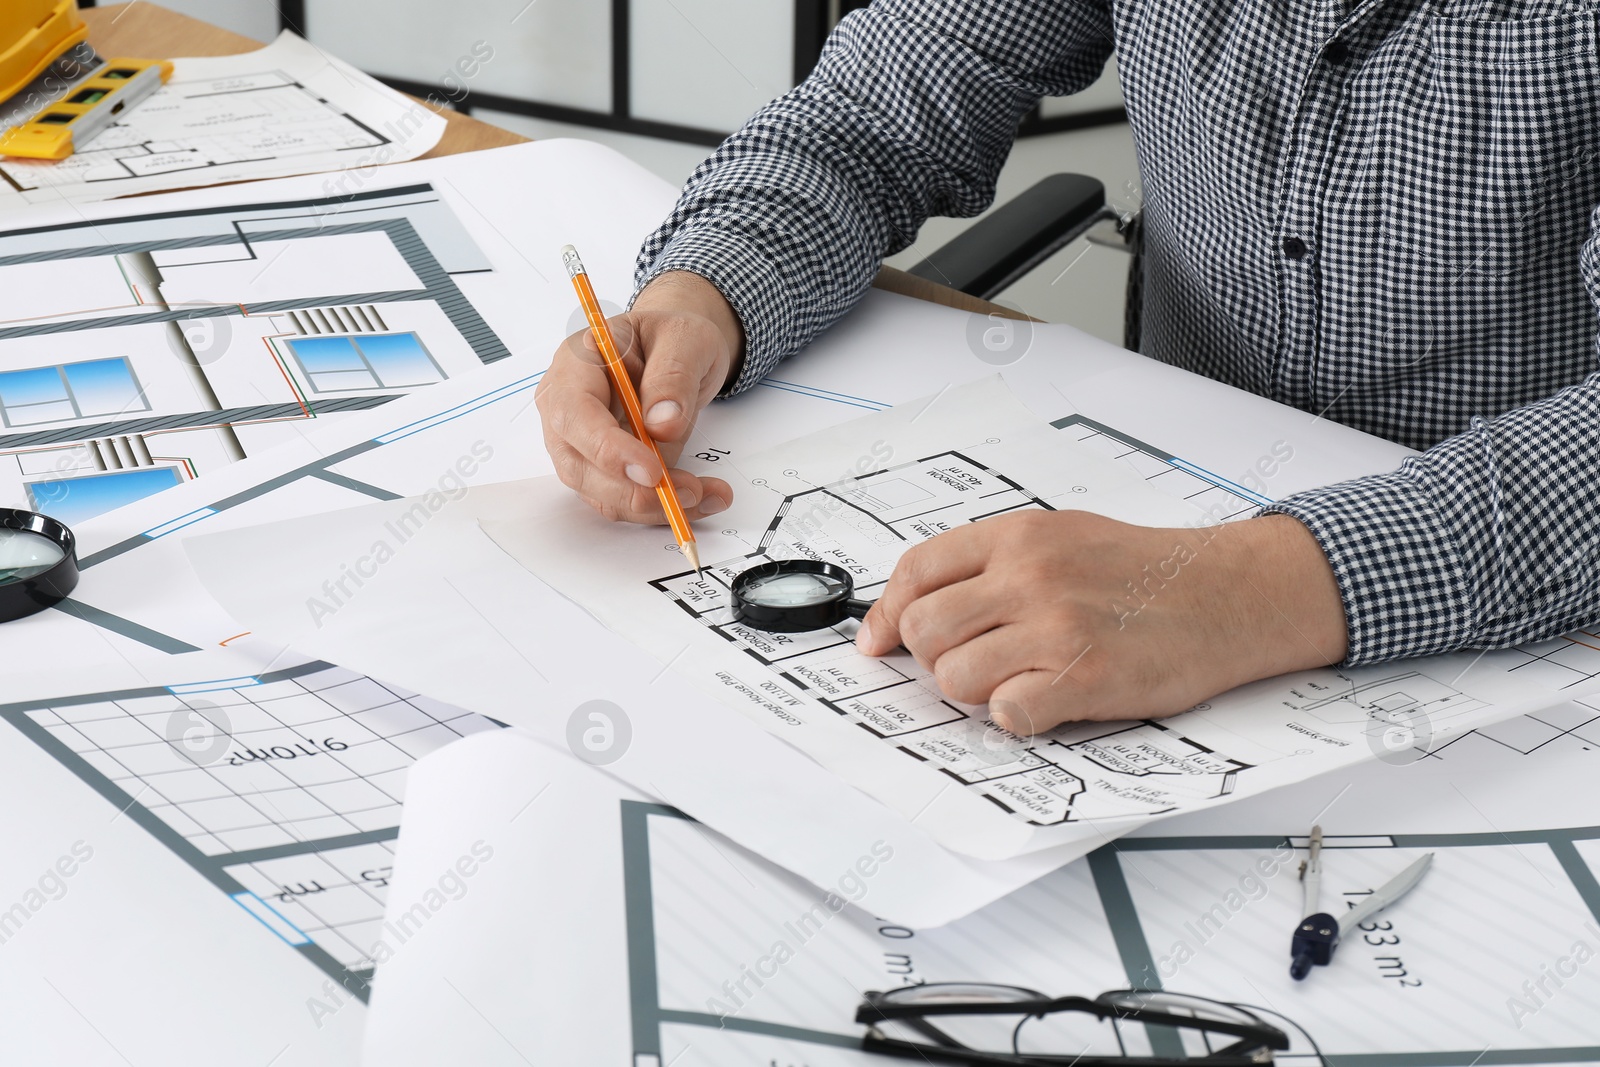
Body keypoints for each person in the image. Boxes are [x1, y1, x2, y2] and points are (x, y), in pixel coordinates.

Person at [536, 0, 1600, 736]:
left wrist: (1252, 592)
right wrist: (702, 293)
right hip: (1148, 493)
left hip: (1512, 608)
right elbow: (872, 115)